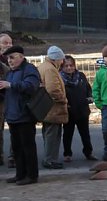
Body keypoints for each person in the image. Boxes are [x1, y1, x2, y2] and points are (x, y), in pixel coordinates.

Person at [0, 46, 41, 185]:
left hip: (25, 115)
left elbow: (31, 87)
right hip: (12, 115)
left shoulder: (29, 69)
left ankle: (31, 175)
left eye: (12, 57)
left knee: (28, 146)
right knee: (17, 147)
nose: (9, 61)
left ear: (21, 57)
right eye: (8, 58)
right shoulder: (11, 72)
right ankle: (20, 174)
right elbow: (8, 92)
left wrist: (10, 85)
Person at [37, 45, 69, 170]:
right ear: (56, 59)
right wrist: (63, 99)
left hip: (47, 108)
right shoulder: (50, 69)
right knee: (53, 135)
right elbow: (53, 89)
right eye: (61, 59)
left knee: (48, 133)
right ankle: (50, 159)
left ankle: (49, 158)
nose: (62, 62)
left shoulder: (44, 66)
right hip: (53, 109)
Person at [60, 55, 95, 162]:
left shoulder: (81, 76)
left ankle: (88, 153)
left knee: (85, 134)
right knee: (67, 134)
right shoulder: (60, 78)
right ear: (62, 67)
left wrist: (89, 97)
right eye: (66, 66)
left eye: (71, 65)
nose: (69, 68)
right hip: (69, 110)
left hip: (82, 109)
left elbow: (88, 88)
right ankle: (67, 154)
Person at [0, 32, 13, 168]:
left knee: (15, 128)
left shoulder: (16, 58)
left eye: (10, 42)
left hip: (13, 98)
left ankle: (13, 157)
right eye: (5, 42)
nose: (8, 45)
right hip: (1, 99)